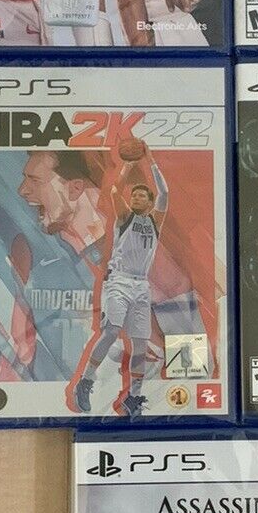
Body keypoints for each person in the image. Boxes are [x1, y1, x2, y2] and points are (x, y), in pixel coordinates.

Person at [71, 141, 168, 417]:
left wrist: (151, 161)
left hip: (141, 285)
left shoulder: (155, 222)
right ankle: (85, 381)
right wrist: (127, 165)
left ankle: (133, 397)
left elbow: (165, 192)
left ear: (149, 203)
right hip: (119, 281)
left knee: (140, 344)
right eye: (134, 195)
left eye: (141, 196)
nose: (135, 197)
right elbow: (115, 190)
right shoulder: (125, 217)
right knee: (111, 331)